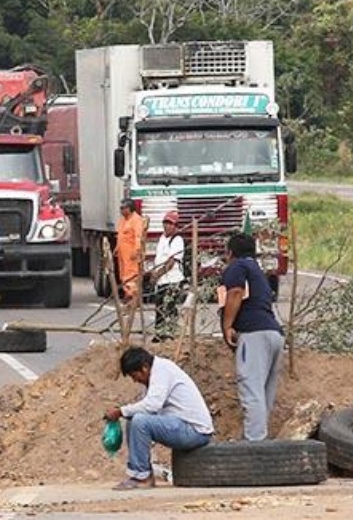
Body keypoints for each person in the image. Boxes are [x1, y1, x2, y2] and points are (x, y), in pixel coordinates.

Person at [104, 346, 214, 490]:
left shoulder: (162, 371)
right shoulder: (154, 374)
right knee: (134, 420)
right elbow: (147, 408)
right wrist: (125, 412)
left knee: (139, 421)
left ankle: (142, 477)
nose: (135, 381)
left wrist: (120, 411)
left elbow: (151, 406)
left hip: (194, 431)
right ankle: (141, 474)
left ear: (144, 368)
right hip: (182, 426)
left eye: (134, 376)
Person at [220, 232, 285, 441]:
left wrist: (228, 325)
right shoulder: (258, 271)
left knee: (252, 391)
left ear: (230, 253)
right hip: (274, 334)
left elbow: (235, 292)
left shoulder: (237, 267)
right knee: (264, 394)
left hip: (254, 335)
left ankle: (254, 445)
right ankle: (260, 441)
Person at [147, 210, 185, 341]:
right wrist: (153, 272)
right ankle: (159, 334)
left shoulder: (177, 240)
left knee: (169, 307)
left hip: (173, 279)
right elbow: (158, 258)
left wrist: (158, 274)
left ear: (175, 226)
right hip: (161, 280)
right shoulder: (162, 239)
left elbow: (171, 263)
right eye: (165, 223)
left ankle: (170, 333)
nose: (167, 226)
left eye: (170, 224)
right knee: (159, 307)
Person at [115, 199, 147, 303]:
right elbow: (120, 236)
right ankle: (127, 294)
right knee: (123, 275)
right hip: (122, 254)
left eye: (123, 208)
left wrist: (136, 250)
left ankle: (132, 297)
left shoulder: (136, 220)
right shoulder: (123, 220)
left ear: (129, 208)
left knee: (131, 276)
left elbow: (138, 236)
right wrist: (117, 248)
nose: (121, 211)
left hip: (131, 254)